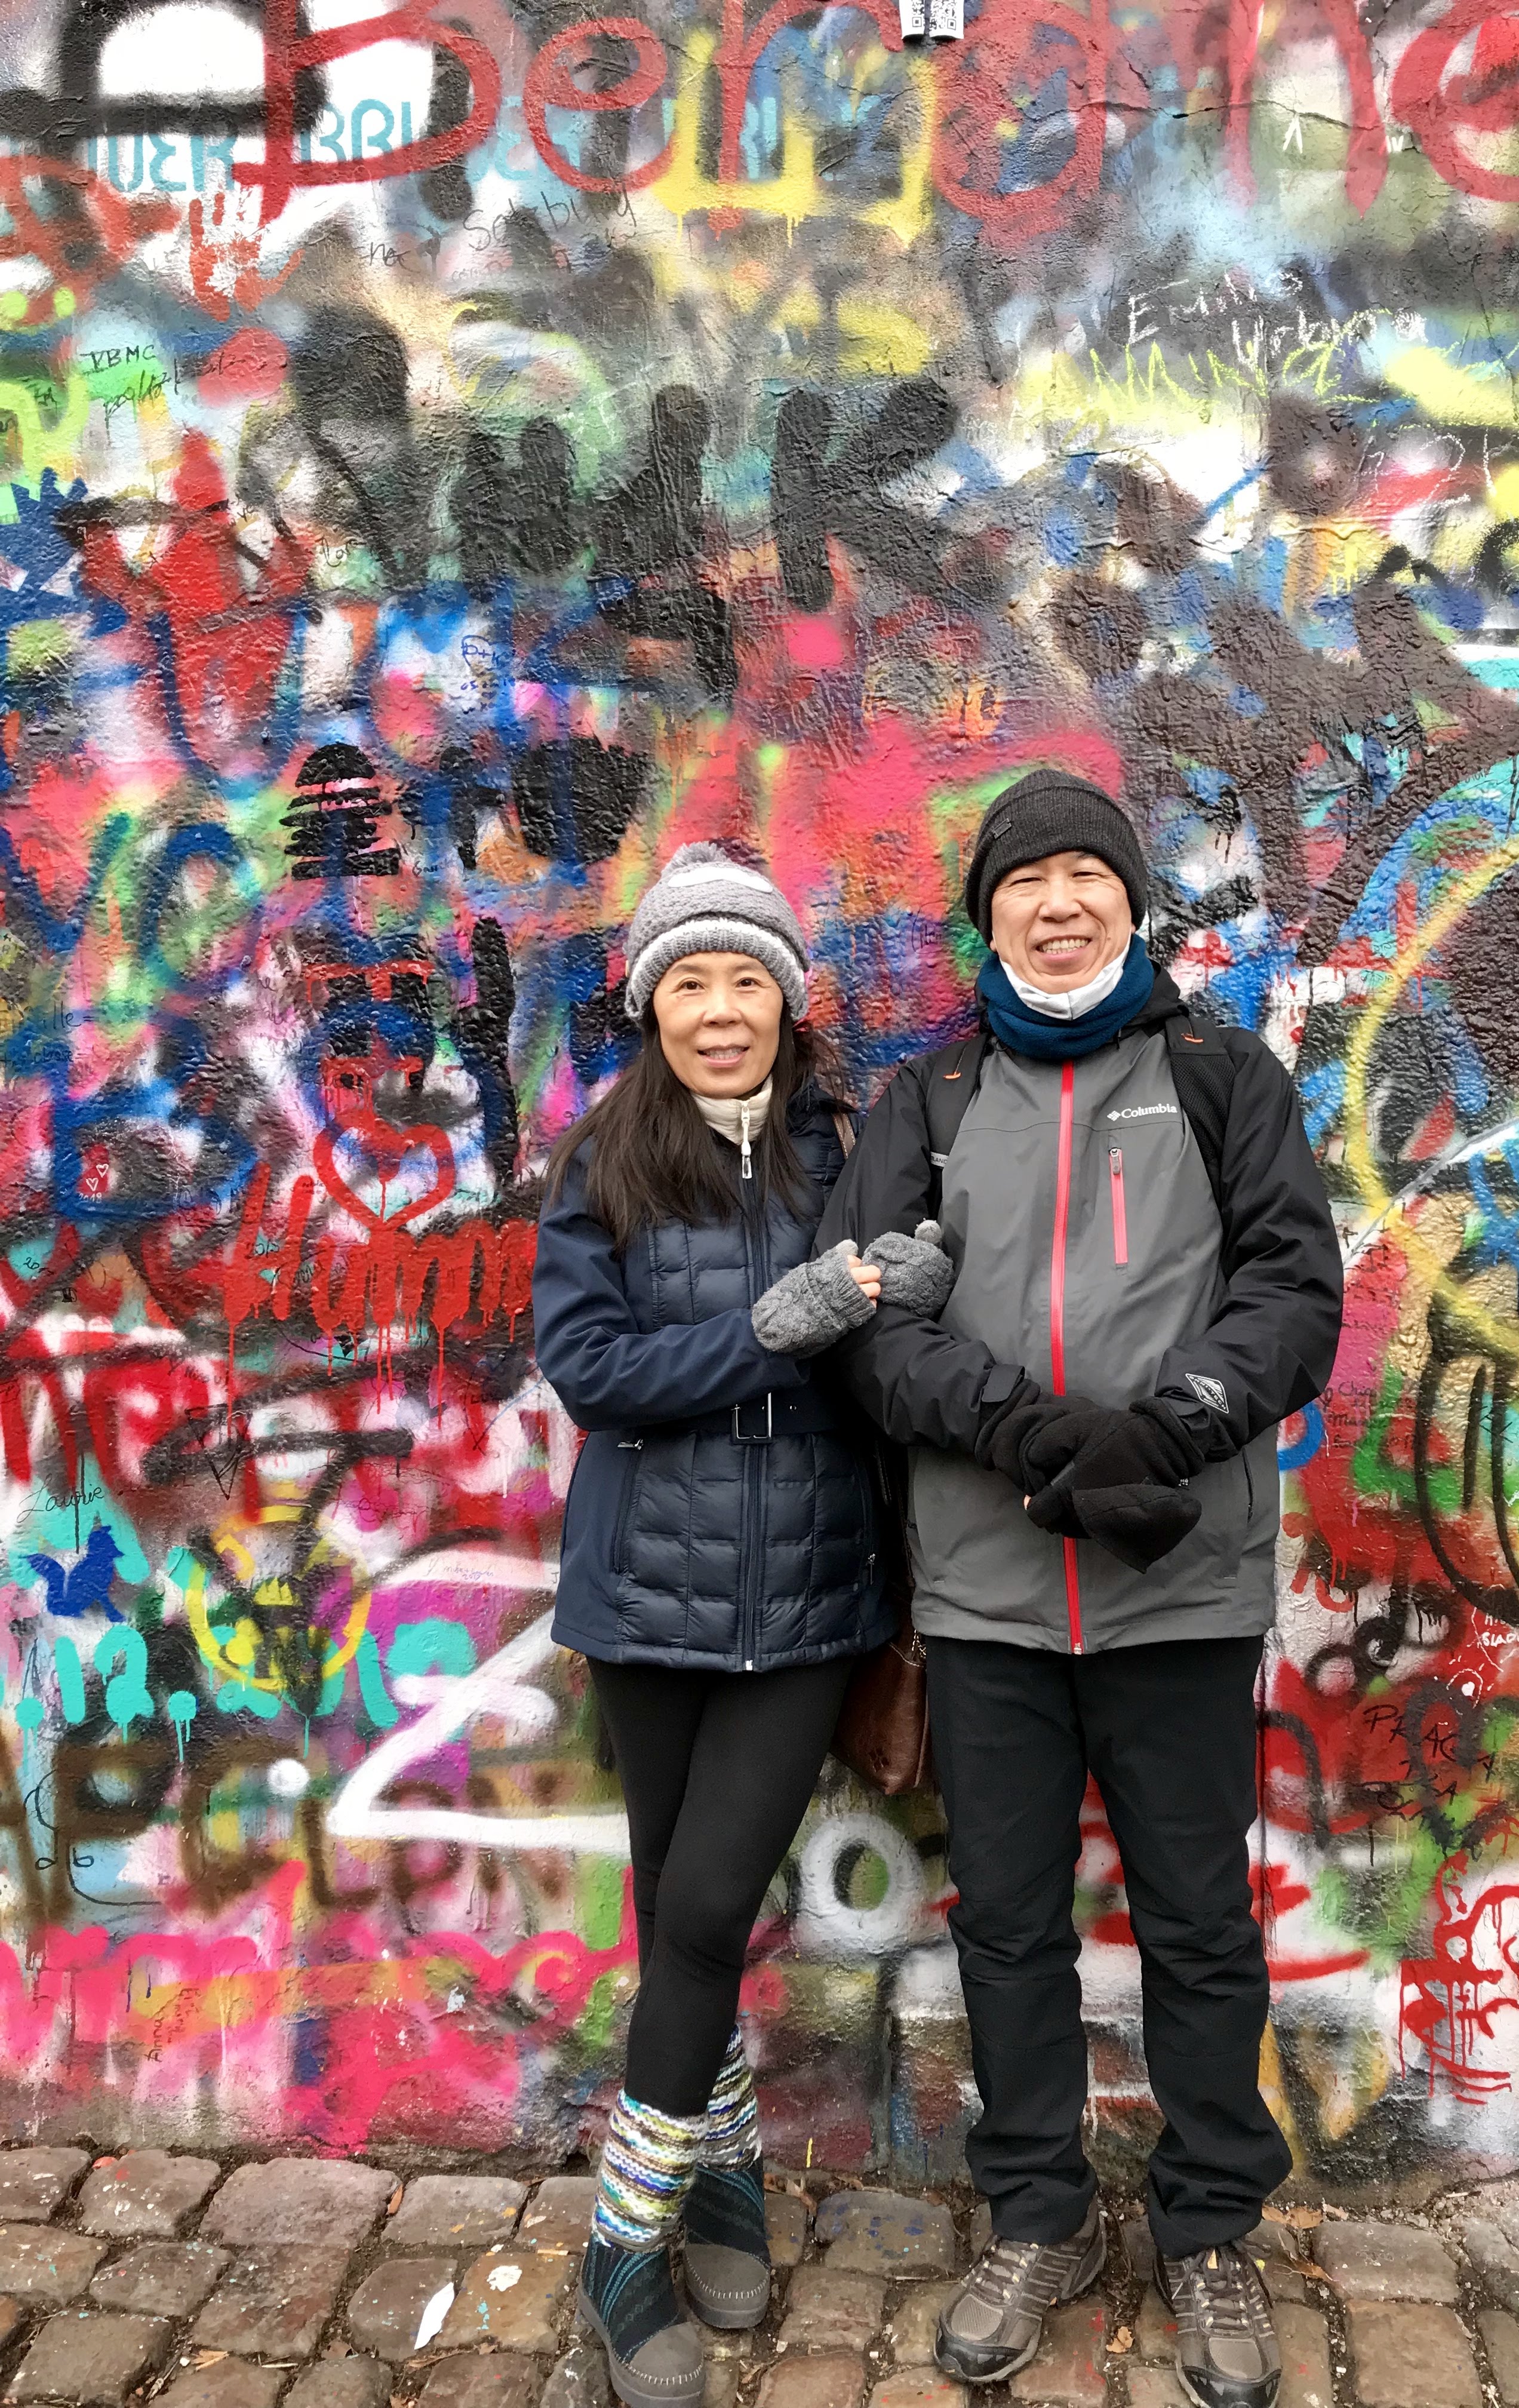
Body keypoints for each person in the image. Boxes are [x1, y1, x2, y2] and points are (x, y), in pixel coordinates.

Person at [816, 771, 1344, 2408]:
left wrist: (1170, 1428)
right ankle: (1034, 2213)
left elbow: (1294, 1288)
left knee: (1197, 1926)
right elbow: (874, 1323)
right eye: (1024, 881)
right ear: (987, 916)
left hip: (1177, 1592)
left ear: (1130, 902)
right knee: (1014, 1928)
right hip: (983, 1600)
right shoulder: (929, 1096)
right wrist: (1029, 1428)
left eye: (1084, 877)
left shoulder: (1217, 1074)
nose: (1057, 903)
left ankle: (1206, 2228)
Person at [533, 842, 952, 2408]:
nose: (722, 1010)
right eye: (689, 982)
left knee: (709, 1906)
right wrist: (765, 1328)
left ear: (787, 997)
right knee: (675, 1912)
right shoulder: (605, 1161)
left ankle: (617, 2245)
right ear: (652, 1006)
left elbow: (880, 1362)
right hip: (644, 1596)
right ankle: (711, 2181)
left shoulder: (846, 1150)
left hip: (806, 1603)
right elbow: (594, 1372)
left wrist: (905, 1291)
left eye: (746, 980)